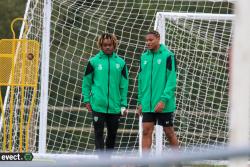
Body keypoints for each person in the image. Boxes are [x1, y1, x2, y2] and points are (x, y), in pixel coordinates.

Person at [82, 33, 129, 152]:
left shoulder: (121, 63)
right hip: (98, 105)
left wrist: (123, 104)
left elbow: (124, 86)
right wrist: (86, 100)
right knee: (98, 134)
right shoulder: (93, 61)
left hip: (115, 106)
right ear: (101, 46)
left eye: (110, 45)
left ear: (114, 45)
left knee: (112, 136)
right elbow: (86, 82)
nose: (107, 47)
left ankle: (108, 161)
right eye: (104, 45)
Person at [137, 30, 179, 151]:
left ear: (158, 38)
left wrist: (163, 100)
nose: (148, 43)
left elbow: (172, 81)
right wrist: (141, 101)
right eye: (146, 40)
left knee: (169, 133)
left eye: (151, 40)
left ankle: (179, 163)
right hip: (148, 104)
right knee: (146, 131)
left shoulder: (168, 56)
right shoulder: (143, 57)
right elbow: (141, 80)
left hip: (163, 104)